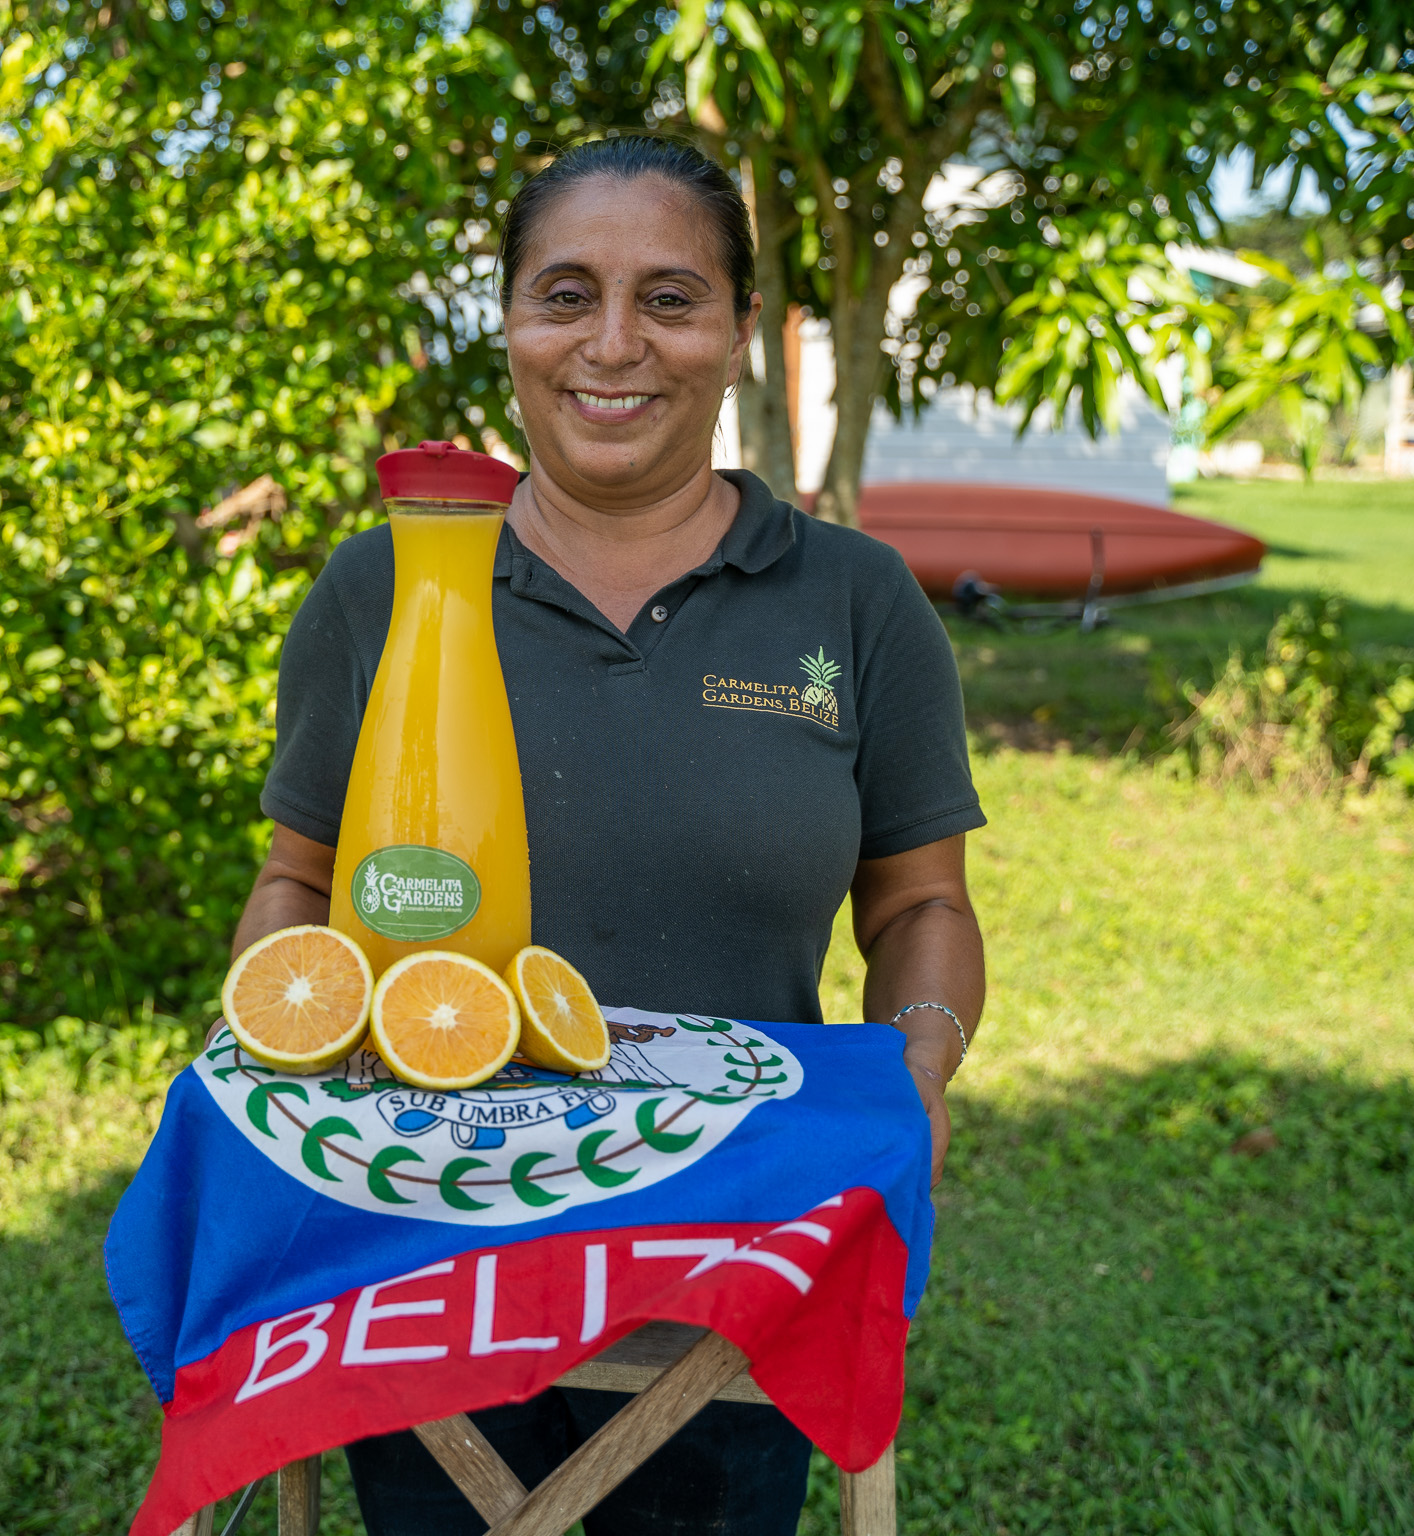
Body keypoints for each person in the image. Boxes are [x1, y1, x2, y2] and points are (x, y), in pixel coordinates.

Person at [228, 134, 987, 1536]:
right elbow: (299, 880)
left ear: (743, 335)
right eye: (566, 294)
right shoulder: (383, 586)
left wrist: (921, 1062)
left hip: (734, 1235)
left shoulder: (856, 601)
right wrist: (274, 1054)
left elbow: (917, 904)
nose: (615, 345)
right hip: (426, 1232)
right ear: (508, 321)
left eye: (674, 298)